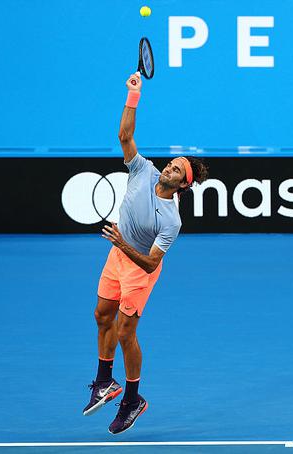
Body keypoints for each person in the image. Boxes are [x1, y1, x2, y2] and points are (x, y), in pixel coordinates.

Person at [82, 71, 208, 434]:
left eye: (176, 169)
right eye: (171, 163)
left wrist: (122, 243)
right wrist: (133, 96)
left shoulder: (172, 220)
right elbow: (125, 136)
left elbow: (153, 262)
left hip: (139, 267)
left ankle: (133, 399)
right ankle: (105, 381)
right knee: (101, 315)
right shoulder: (143, 170)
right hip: (117, 254)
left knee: (125, 332)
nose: (168, 167)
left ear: (183, 183)